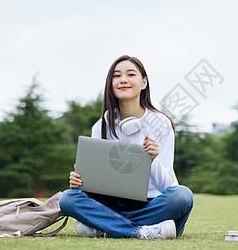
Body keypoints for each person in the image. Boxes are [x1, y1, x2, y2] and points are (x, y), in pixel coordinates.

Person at [59, 55, 193, 240]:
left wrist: (152, 160)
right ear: (110, 84)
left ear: (144, 82)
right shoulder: (101, 126)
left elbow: (169, 186)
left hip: (151, 203)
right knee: (67, 198)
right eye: (117, 76)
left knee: (182, 196)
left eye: (130, 74)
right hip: (112, 203)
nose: (123, 80)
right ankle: (143, 231)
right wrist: (81, 181)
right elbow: (95, 185)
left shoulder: (160, 123)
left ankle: (105, 226)